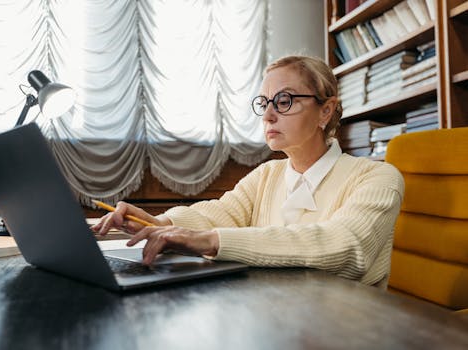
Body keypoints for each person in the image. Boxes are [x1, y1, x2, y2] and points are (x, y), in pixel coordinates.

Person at [91, 55, 404, 288]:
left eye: (284, 101)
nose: (267, 115)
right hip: (275, 313)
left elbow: (344, 247)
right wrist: (159, 223)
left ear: (326, 110)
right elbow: (218, 213)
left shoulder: (378, 177)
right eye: (264, 102)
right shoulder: (267, 175)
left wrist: (208, 240)